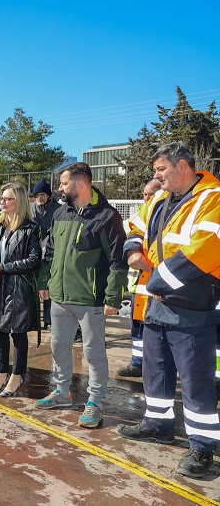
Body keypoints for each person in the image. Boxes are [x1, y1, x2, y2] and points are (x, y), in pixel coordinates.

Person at [116, 142, 220, 478]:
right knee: (156, 370)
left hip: (192, 308)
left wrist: (158, 282)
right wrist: (133, 253)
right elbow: (133, 226)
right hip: (157, 306)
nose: (157, 176)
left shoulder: (213, 197)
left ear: (183, 166)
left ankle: (203, 448)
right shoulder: (160, 199)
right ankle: (158, 423)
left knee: (195, 381)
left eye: (161, 169)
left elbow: (206, 248)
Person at [35, 162, 126, 429]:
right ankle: (62, 392)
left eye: (63, 183)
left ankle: (95, 402)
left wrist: (112, 297)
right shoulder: (61, 213)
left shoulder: (107, 217)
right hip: (60, 298)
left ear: (80, 184)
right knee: (58, 346)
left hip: (91, 301)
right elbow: (50, 251)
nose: (59, 188)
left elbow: (118, 260)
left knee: (94, 352)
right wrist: (44, 281)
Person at [0, 183, 41, 397]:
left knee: (18, 334)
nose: (3, 202)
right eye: (2, 198)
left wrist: (2, 268)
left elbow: (34, 260)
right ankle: (1, 374)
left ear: (19, 202)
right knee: (0, 333)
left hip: (19, 290)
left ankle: (17, 375)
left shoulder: (30, 229)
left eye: (8, 199)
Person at [116, 179, 161, 378]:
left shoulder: (164, 216)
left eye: (151, 194)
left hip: (156, 286)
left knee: (154, 330)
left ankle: (153, 365)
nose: (147, 198)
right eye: (145, 194)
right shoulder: (139, 217)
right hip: (137, 286)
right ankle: (137, 362)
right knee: (137, 328)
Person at [30, 178, 61, 330]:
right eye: (37, 195)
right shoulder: (30, 209)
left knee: (47, 286)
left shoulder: (58, 209)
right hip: (33, 253)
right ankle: (34, 318)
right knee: (33, 287)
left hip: (51, 253)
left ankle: (48, 320)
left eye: (42, 194)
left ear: (48, 195)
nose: (39, 198)